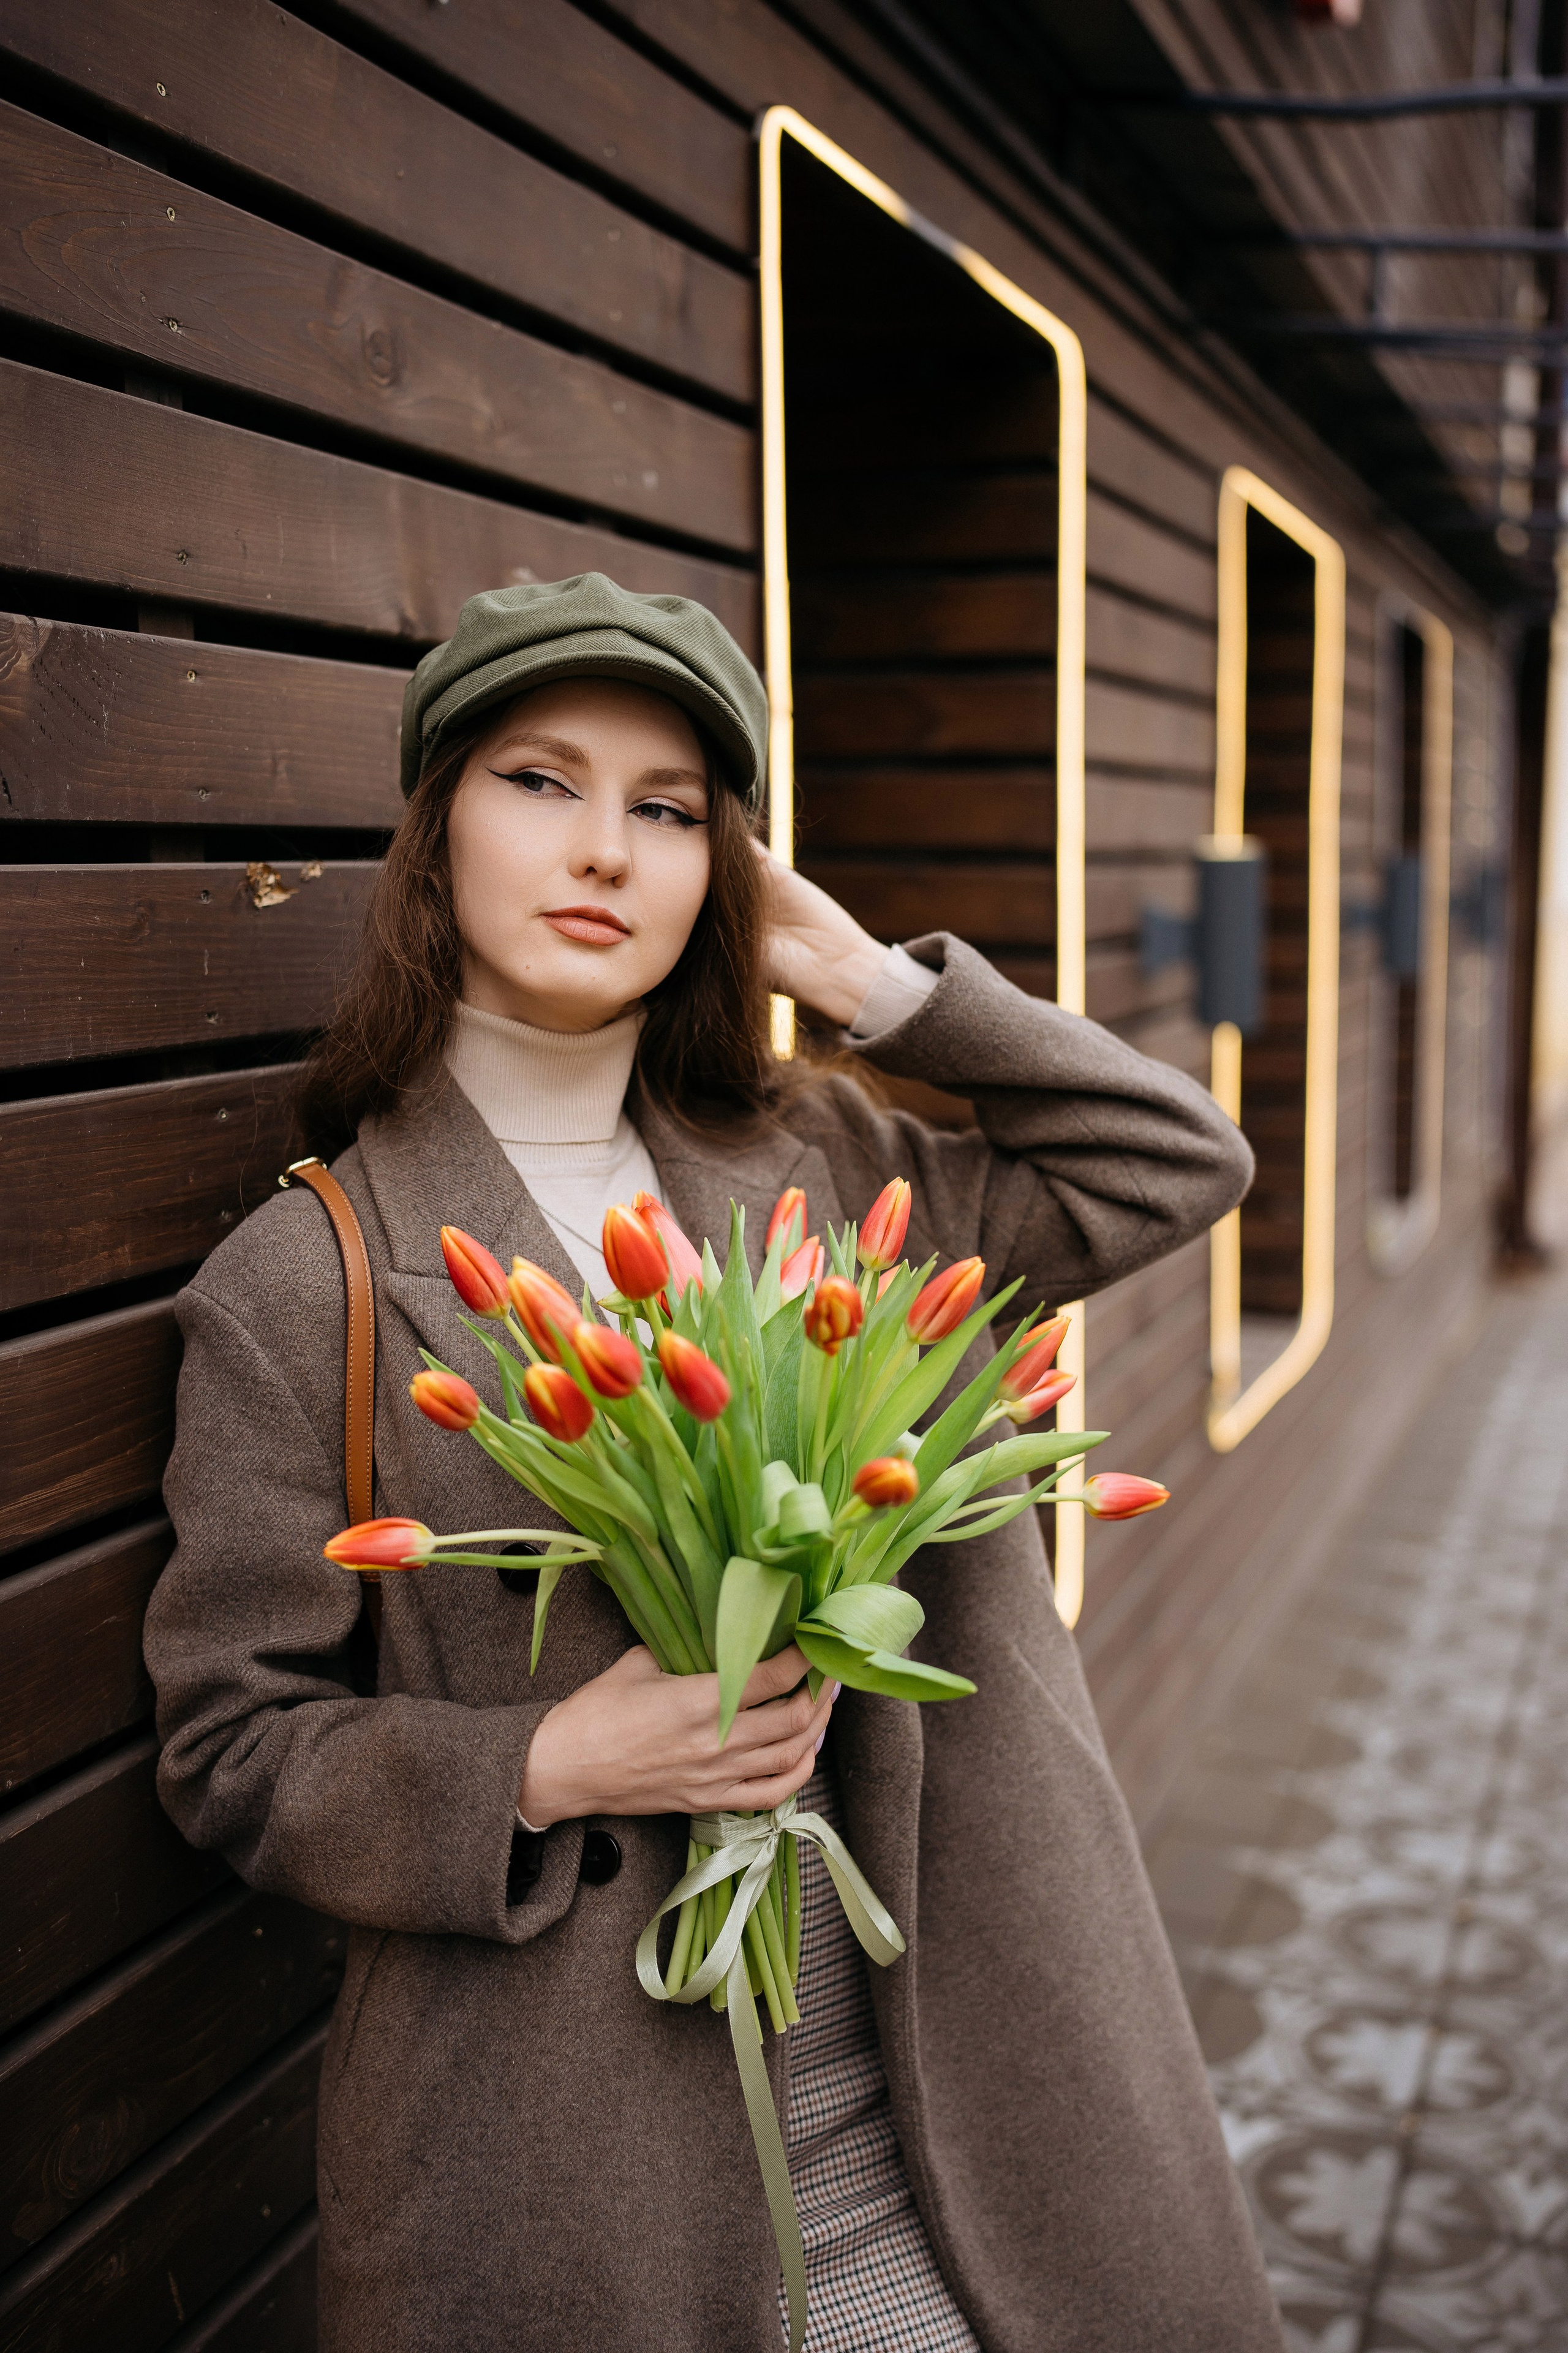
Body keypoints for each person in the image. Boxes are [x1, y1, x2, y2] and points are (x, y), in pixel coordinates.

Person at [145, 574, 1283, 2352]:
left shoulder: (818, 1159)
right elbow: (232, 1749)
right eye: (539, 781)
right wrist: (544, 1758)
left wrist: (862, 982)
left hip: (956, 2101)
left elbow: (1174, 1161)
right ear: (435, 830)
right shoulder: (314, 1280)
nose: (605, 849)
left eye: (669, 811)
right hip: (587, 2174)